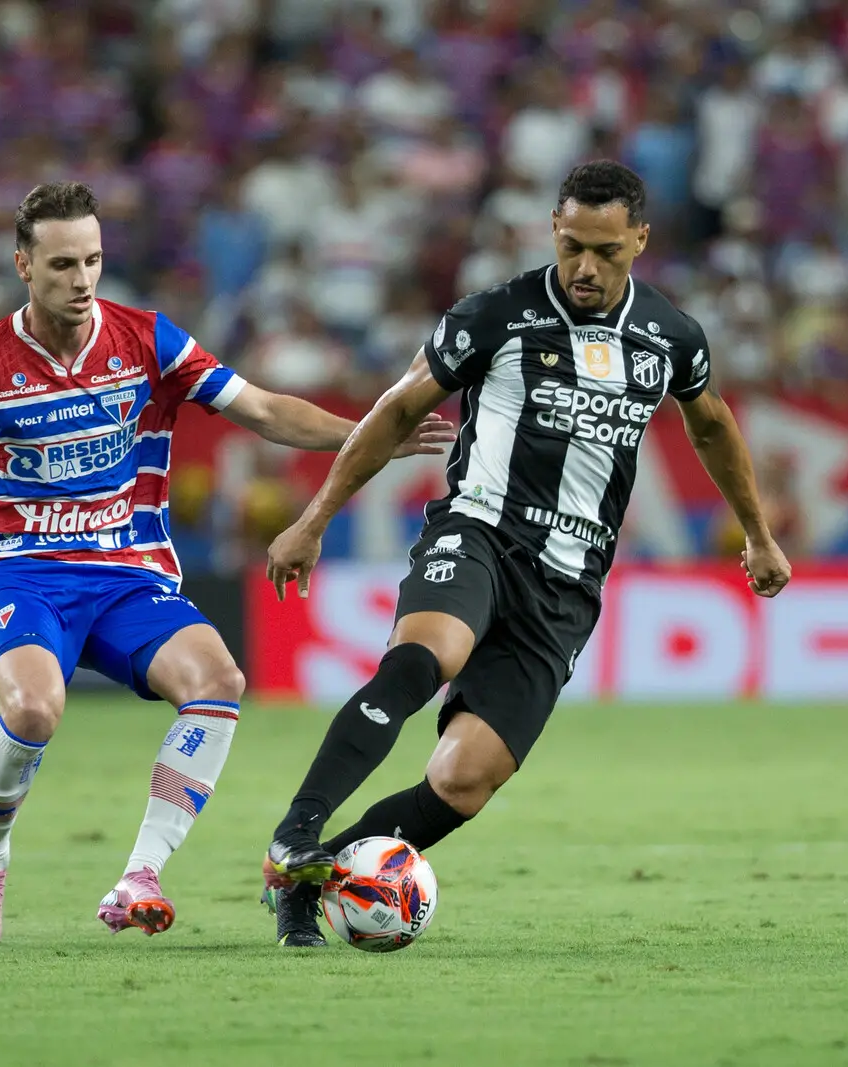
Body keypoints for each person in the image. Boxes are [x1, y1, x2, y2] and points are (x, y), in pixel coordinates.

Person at [0, 182, 453, 944]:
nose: (82, 279)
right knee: (31, 710)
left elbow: (261, 408)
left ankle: (140, 874)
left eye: (91, 259)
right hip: (21, 571)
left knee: (220, 680)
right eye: (61, 264)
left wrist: (369, 433)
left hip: (127, 572)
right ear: (23, 265)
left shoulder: (147, 339)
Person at [260, 161, 794, 947]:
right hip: (479, 530)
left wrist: (758, 533)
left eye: (607, 252)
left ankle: (309, 881)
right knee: (426, 654)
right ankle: (295, 830)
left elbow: (710, 425)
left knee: (463, 779)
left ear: (640, 241)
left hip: (569, 581)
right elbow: (395, 408)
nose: (585, 266)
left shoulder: (670, 337)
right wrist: (312, 520)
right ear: (553, 227)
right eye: (573, 244)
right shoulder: (494, 317)